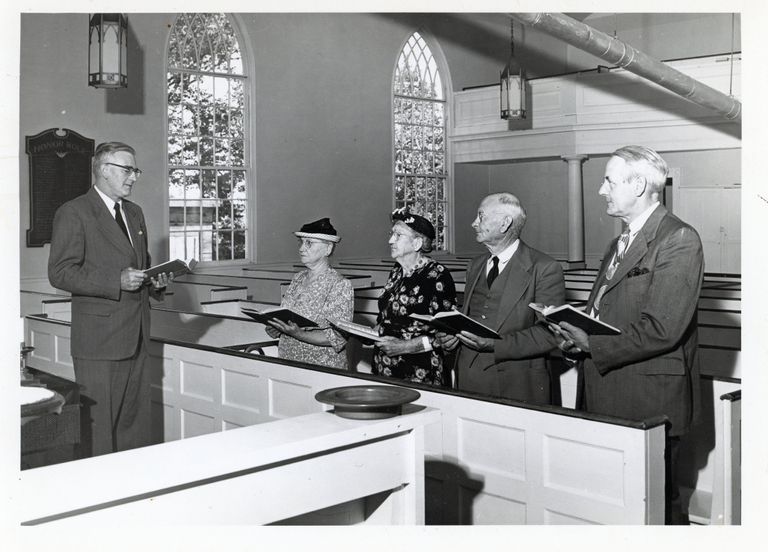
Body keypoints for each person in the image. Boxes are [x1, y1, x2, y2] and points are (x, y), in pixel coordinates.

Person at [552, 145, 704, 524]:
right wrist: (574, 335)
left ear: (638, 185)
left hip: (646, 400)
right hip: (604, 390)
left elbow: (663, 329)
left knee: (655, 512)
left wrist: (593, 343)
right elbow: (603, 312)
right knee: (611, 507)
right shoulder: (618, 243)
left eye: (608, 180)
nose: (602, 190)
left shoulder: (678, 239)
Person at [48, 142, 171, 457]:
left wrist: (155, 282)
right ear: (103, 169)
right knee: (98, 427)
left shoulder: (134, 212)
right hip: (99, 341)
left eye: (135, 171)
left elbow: (139, 267)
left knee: (135, 425)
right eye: (127, 170)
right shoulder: (74, 212)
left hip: (138, 334)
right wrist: (114, 281)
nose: (133, 178)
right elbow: (60, 273)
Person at [436, 193, 565, 404]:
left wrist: (494, 345)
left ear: (505, 223)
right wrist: (450, 337)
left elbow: (549, 334)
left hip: (516, 382)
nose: (473, 223)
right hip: (468, 379)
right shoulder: (475, 265)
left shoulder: (544, 268)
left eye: (481, 216)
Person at [373, 208, 457, 386]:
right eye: (391, 234)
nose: (390, 241)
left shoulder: (437, 275)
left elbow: (446, 334)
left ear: (417, 243)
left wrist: (404, 347)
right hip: (385, 365)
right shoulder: (396, 271)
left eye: (398, 236)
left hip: (419, 369)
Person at [264, 218, 354, 369]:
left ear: (328, 249)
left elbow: (338, 336)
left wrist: (298, 334)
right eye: (301, 242)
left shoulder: (339, 284)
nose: (301, 248)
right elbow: (287, 316)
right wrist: (277, 326)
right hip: (288, 360)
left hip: (322, 366)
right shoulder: (298, 278)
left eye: (309, 243)